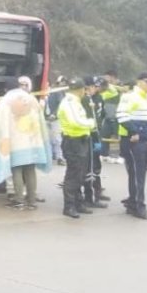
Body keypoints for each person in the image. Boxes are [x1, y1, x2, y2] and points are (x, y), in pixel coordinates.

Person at [0, 78, 52, 210]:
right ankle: (32, 201)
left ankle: (18, 200)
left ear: (6, 89)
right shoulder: (31, 98)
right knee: (30, 171)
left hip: (15, 143)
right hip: (33, 142)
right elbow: (41, 120)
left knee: (16, 170)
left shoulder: (5, 101)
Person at [116, 71, 147, 219]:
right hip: (134, 141)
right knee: (137, 174)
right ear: (139, 82)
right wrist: (134, 132)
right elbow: (121, 115)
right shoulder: (129, 97)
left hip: (144, 139)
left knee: (139, 174)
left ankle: (134, 202)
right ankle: (138, 206)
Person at [57, 78, 96, 218]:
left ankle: (78, 203)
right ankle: (69, 206)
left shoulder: (74, 102)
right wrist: (91, 123)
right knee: (73, 175)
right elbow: (75, 121)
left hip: (80, 141)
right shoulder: (69, 103)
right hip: (73, 141)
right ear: (81, 90)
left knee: (79, 174)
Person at [81, 77, 110, 208]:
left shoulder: (98, 99)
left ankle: (96, 193)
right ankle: (90, 197)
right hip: (88, 136)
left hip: (96, 135)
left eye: (96, 86)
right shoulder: (84, 100)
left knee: (95, 167)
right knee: (90, 168)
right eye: (92, 86)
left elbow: (101, 116)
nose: (95, 89)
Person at [43, 74, 68, 166]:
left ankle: (60, 157)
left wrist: (54, 114)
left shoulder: (55, 92)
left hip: (55, 119)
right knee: (46, 139)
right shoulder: (41, 93)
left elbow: (61, 104)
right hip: (44, 118)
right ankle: (48, 157)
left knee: (57, 139)